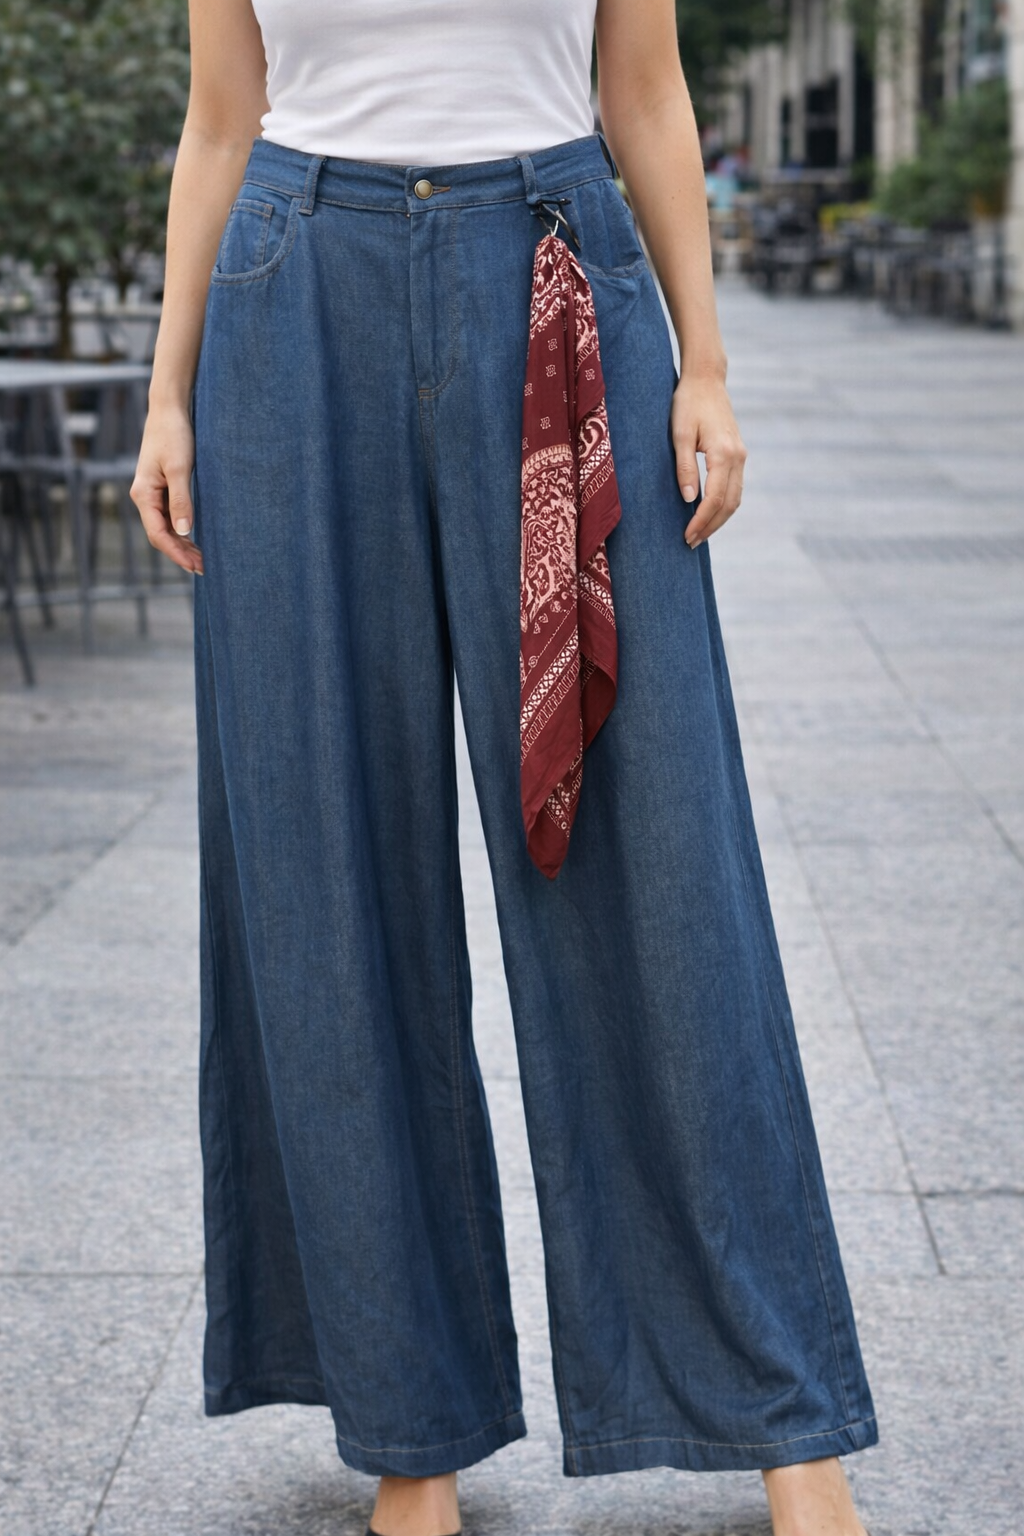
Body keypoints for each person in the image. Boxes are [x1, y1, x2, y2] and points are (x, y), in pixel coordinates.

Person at [131, 3, 878, 1534]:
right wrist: (165, 392)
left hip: (554, 270)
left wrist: (707, 362)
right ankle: (412, 1430)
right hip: (292, 291)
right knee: (328, 861)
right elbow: (222, 119)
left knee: (663, 861)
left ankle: (784, 1413)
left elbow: (644, 88)